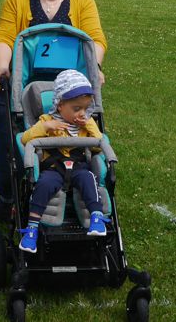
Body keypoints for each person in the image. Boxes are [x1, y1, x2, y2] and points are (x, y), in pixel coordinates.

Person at [0, 0, 108, 223]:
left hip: (70, 95)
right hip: (20, 90)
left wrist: (95, 68)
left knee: (76, 148)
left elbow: (94, 39)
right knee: (11, 153)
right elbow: (4, 36)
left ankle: (72, 201)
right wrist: (2, 66)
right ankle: (9, 199)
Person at [17, 69, 110, 253]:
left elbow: (98, 146)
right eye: (77, 109)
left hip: (79, 167)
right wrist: (45, 127)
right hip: (53, 168)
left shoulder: (86, 124)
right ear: (60, 105)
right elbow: (25, 139)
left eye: (85, 108)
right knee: (43, 185)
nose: (82, 113)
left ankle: (96, 217)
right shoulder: (46, 120)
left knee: (89, 179)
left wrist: (90, 125)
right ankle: (32, 229)